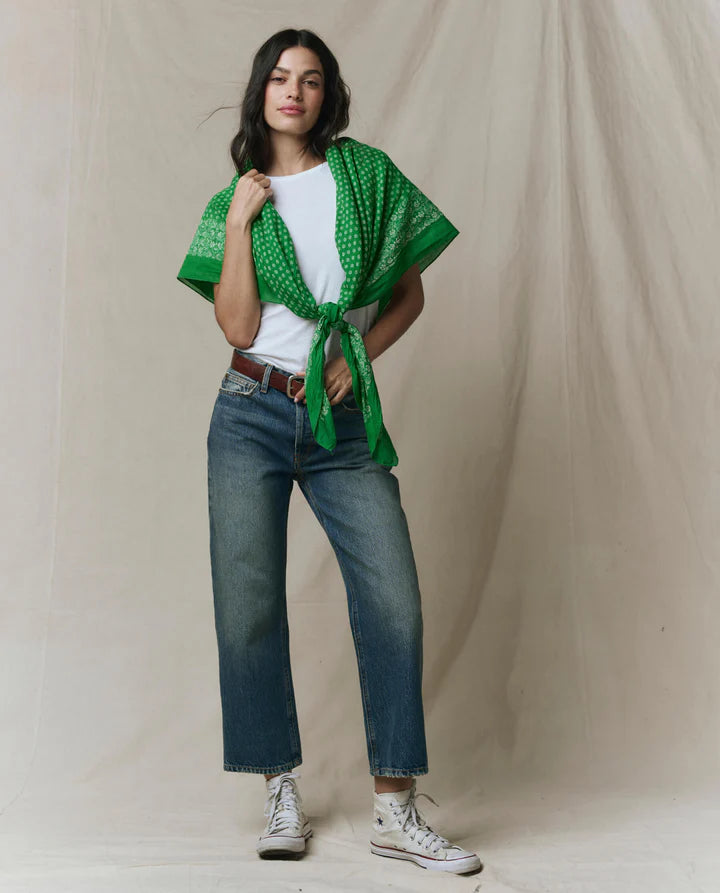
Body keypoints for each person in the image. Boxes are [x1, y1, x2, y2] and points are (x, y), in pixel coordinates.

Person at [177, 27, 482, 876]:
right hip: (248, 410)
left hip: (342, 422)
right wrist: (240, 222)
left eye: (310, 80)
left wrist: (356, 354)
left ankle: (395, 809)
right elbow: (237, 325)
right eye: (279, 77)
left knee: (393, 601)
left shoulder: (367, 177)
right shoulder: (234, 199)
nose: (294, 92)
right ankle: (279, 787)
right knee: (248, 605)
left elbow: (410, 292)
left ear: (328, 95)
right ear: (260, 91)